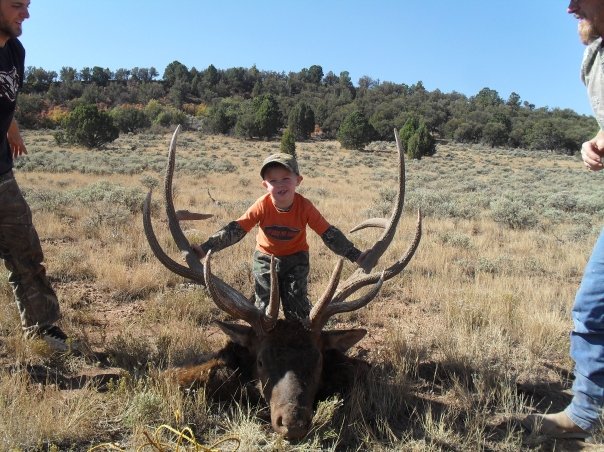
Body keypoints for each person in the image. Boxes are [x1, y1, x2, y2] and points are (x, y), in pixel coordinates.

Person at [522, 0, 604, 440]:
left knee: (592, 308)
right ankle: (586, 414)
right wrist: (595, 142)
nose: (571, 6)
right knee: (592, 309)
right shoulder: (596, 56)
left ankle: (585, 415)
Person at [179, 153, 366, 320]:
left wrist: (356, 255)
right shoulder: (262, 205)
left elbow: (328, 233)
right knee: (264, 308)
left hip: (297, 259)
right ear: (265, 185)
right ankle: (262, 344)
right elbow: (235, 230)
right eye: (273, 181)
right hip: (265, 258)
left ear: (298, 180)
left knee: (298, 307)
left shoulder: (305, 207)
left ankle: (299, 341)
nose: (280, 184)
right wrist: (204, 248)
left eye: (285, 178)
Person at [0, 0, 71, 352]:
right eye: (16, 4)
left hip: (1, 174)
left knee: (25, 249)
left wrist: (11, 127)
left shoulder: (15, 51)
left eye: (27, 5)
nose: (26, 14)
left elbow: (5, 98)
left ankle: (42, 328)